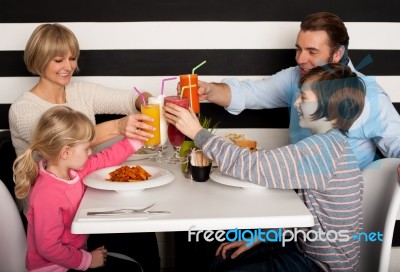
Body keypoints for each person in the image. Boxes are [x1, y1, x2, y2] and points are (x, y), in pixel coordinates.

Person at [165, 63, 366, 271]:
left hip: (320, 265)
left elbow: (255, 166)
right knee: (220, 260)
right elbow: (311, 215)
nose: (296, 103)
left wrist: (198, 133)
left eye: (304, 98)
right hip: (303, 248)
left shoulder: (323, 150)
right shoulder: (331, 144)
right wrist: (261, 236)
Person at [9, 23, 160, 271]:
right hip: (58, 220)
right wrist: (119, 127)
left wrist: (145, 101)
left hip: (87, 196)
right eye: (58, 59)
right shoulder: (23, 110)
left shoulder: (80, 91)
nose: (68, 66)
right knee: (133, 239)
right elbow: (65, 139)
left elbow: (127, 99)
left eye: (72, 57)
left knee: (141, 229)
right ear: (38, 60)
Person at [190, 11, 400, 169]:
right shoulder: (295, 76)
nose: (300, 59)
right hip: (294, 188)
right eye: (298, 49)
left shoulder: (370, 96)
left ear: (337, 54)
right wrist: (208, 90)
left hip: (339, 207)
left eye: (312, 51)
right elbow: (250, 92)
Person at [13, 106, 145, 271]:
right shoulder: (47, 194)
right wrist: (88, 260)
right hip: (54, 267)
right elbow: (48, 248)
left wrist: (138, 140)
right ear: (66, 152)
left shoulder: (72, 171)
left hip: (73, 255)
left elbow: (105, 158)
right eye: (86, 148)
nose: (90, 152)